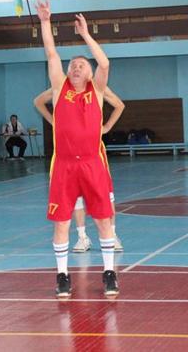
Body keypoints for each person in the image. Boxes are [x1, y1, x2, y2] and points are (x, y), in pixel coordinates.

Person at [37, 0, 119, 298]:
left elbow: (105, 64)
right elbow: (51, 53)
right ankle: (62, 276)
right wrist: (45, 22)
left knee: (102, 220)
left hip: (92, 163)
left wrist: (85, 35)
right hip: (64, 165)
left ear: (89, 73)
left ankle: (109, 272)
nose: (75, 67)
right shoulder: (60, 89)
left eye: (81, 65)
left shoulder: (97, 91)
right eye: (72, 65)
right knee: (62, 222)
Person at [34, 86, 125, 253]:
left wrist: (107, 127)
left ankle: (112, 234)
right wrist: (53, 121)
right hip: (67, 153)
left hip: (93, 153)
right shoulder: (61, 87)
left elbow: (119, 105)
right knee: (76, 197)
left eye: (81, 70)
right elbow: (38, 102)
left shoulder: (96, 86)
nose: (77, 72)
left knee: (106, 195)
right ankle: (82, 237)